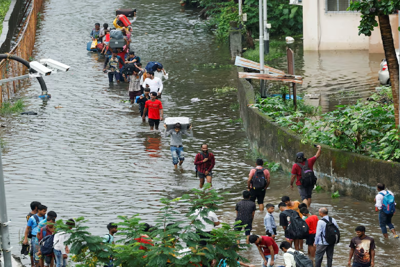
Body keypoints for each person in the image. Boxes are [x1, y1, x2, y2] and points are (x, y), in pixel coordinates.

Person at [27, 201, 41, 267]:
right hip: (34, 234)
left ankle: (34, 264)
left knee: (33, 250)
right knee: (34, 251)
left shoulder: (31, 215)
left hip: (34, 234)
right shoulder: (30, 216)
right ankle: (34, 264)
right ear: (36, 207)